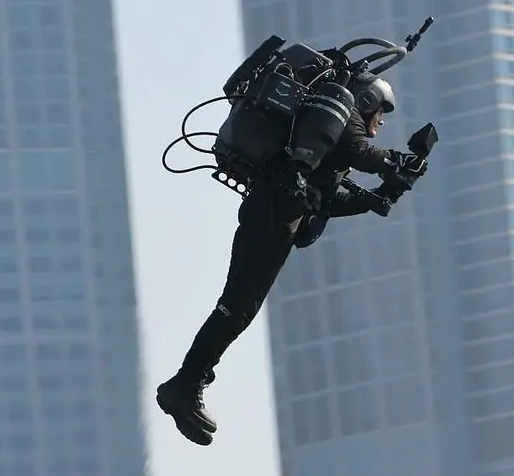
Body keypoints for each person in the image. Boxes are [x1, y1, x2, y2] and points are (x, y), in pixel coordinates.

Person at [156, 75, 428, 446]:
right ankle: (185, 383)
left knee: (238, 308)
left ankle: (187, 381)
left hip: (276, 214)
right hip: (272, 211)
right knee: (236, 308)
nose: (381, 123)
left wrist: (382, 196)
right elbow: (361, 153)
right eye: (381, 113)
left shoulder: (328, 149)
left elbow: (329, 199)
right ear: (367, 100)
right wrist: (396, 161)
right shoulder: (343, 116)